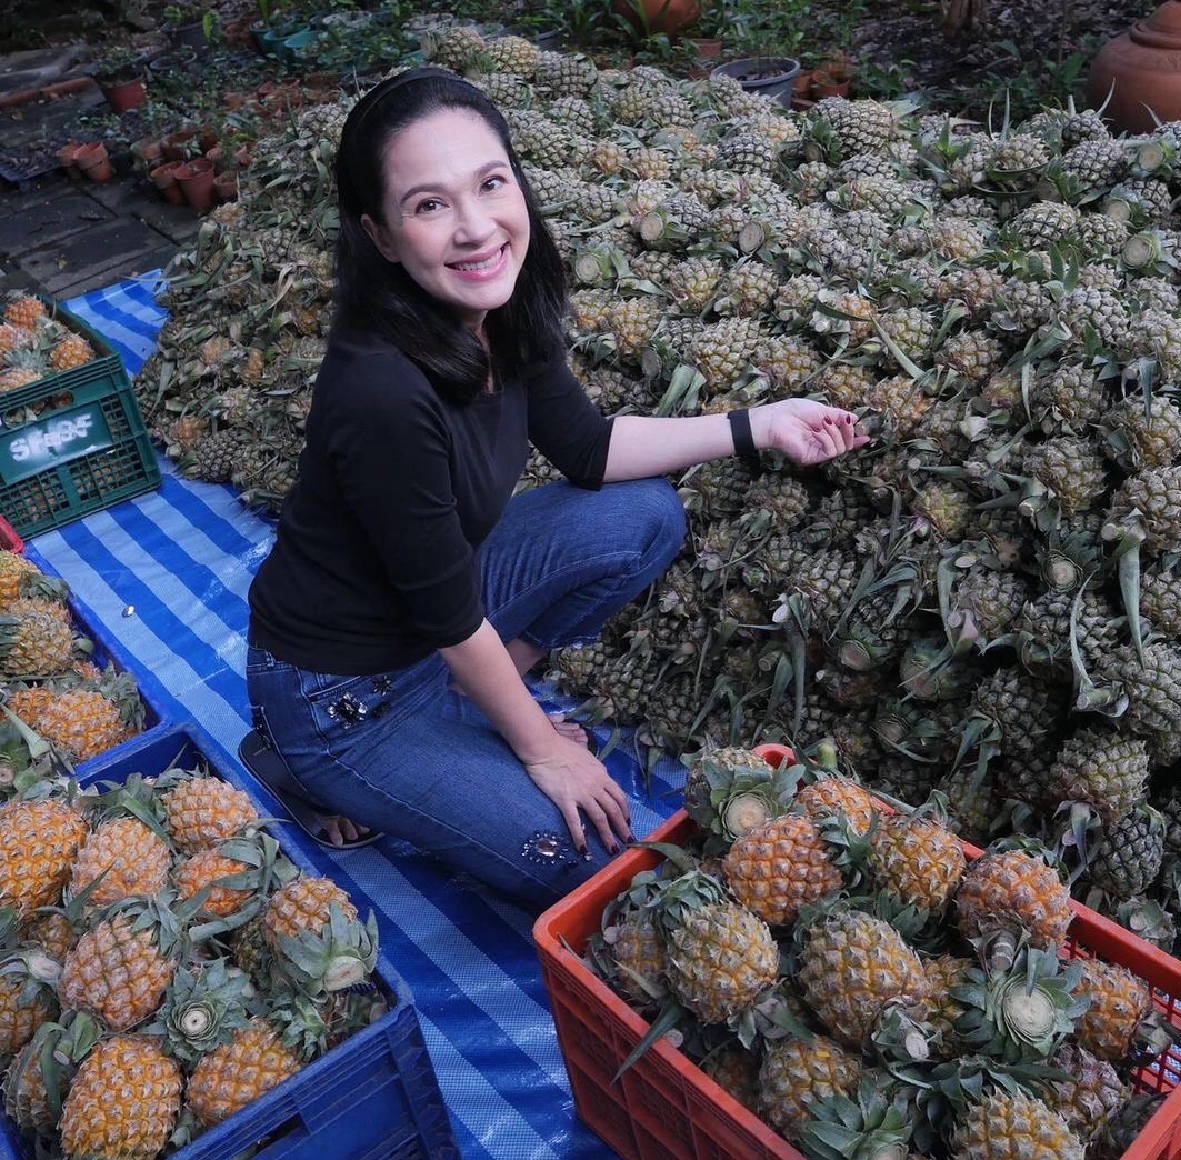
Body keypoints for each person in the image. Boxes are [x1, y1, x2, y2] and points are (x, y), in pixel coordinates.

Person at [245, 67, 868, 910]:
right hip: (344, 693)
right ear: (381, 236)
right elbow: (449, 616)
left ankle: (470, 709)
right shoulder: (381, 391)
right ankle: (301, 760)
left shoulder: (497, 309)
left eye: (490, 184)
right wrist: (543, 749)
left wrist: (759, 423)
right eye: (429, 205)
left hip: (435, 629)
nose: (475, 228)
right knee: (576, 856)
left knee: (644, 513)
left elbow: (590, 449)